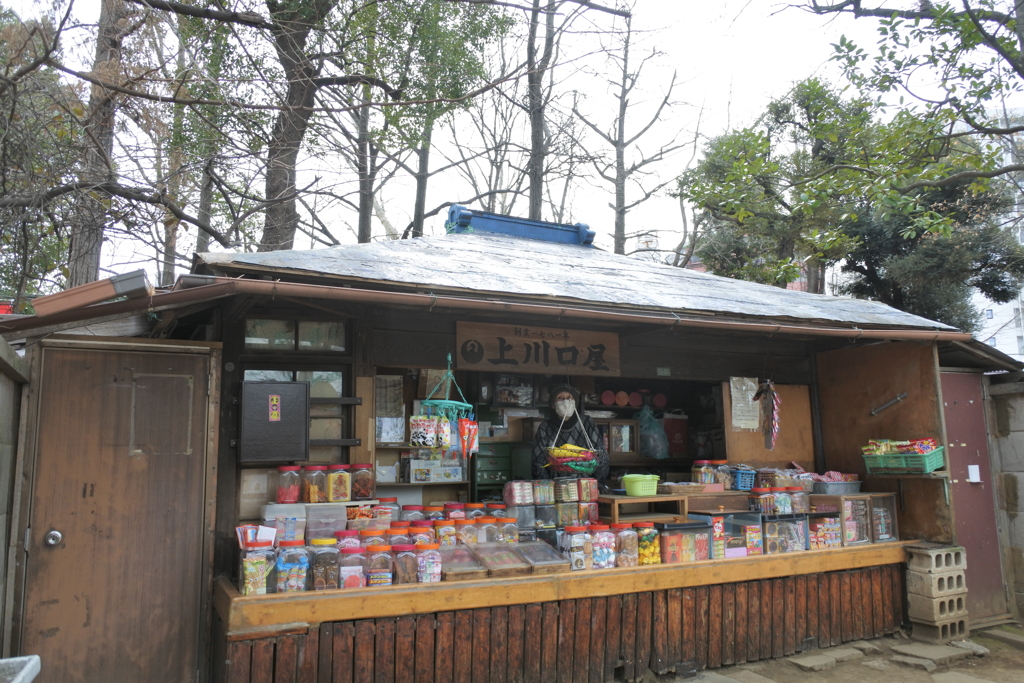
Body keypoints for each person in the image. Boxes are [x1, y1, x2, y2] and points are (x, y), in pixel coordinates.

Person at [532, 384, 609, 481]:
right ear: (553, 404)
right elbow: (538, 463)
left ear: (575, 403)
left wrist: (597, 484)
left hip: (585, 485)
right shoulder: (545, 427)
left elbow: (601, 458)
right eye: (560, 398)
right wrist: (547, 487)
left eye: (569, 398)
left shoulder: (587, 424)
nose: (565, 401)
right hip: (556, 486)